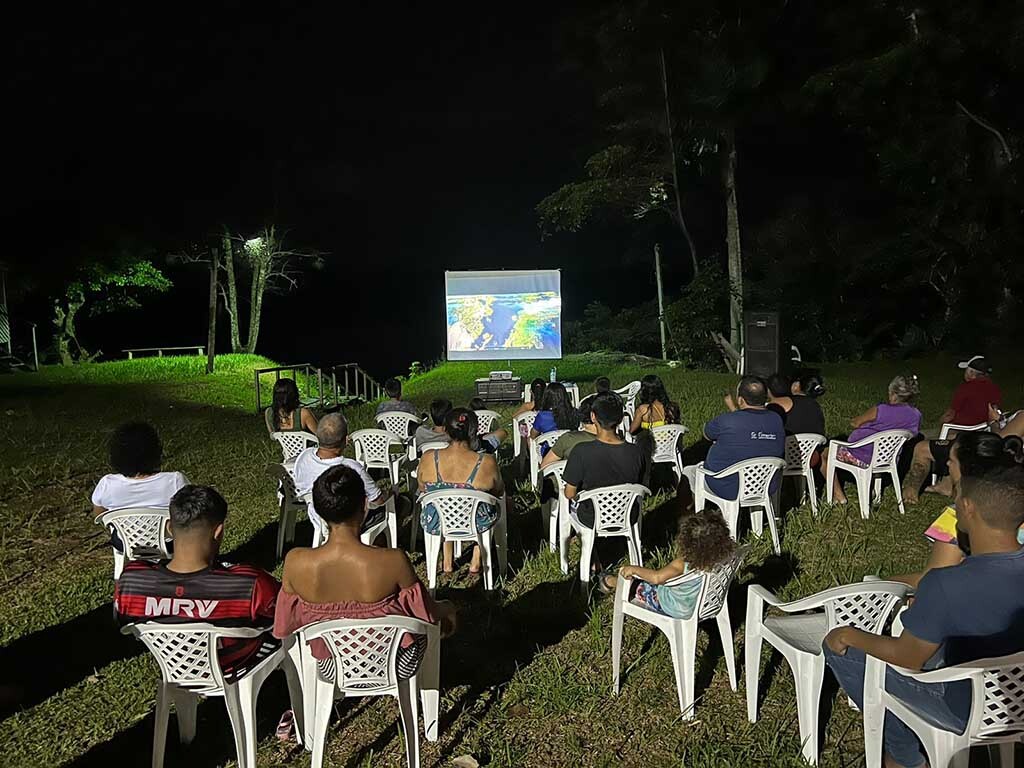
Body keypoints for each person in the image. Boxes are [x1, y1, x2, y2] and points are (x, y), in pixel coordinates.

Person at [823, 433, 1024, 768]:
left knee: (844, 649)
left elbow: (908, 658)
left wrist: (847, 634)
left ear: (967, 508)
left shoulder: (945, 584)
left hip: (966, 708)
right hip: (1015, 697)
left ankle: (903, 758)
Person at [274, 465, 455, 682]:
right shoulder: (393, 560)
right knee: (438, 623)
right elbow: (425, 612)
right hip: (396, 664)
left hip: (332, 668)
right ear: (364, 505)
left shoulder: (295, 562)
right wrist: (449, 607)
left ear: (320, 510)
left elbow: (284, 626)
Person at [114, 485, 280, 674]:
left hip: (172, 665)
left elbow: (124, 621)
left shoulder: (132, 581)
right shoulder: (250, 584)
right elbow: (284, 613)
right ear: (218, 532)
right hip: (234, 665)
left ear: (169, 527)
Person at [563, 393, 648, 574]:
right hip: (627, 513)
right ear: (621, 418)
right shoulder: (637, 452)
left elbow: (569, 493)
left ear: (593, 417)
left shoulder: (581, 452)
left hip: (591, 516)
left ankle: (592, 559)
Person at [598, 507, 737, 613]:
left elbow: (657, 578)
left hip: (674, 606)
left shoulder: (682, 564)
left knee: (638, 585)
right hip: (707, 601)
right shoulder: (725, 557)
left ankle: (609, 581)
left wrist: (632, 569)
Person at [416, 408, 505, 575]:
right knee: (485, 505)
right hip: (476, 521)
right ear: (475, 431)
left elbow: (422, 488)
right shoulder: (486, 462)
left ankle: (447, 561)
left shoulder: (428, 457)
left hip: (438, 521)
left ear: (446, 430)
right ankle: (476, 561)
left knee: (443, 497)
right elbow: (498, 491)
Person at [902, 357, 1002, 504]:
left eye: (966, 370)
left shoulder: (966, 388)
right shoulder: (995, 389)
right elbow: (994, 413)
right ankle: (946, 485)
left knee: (919, 440)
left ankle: (911, 490)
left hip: (957, 432)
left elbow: (950, 415)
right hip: (979, 433)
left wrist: (940, 424)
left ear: (971, 373)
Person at [822, 374, 921, 504]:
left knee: (825, 454)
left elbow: (856, 422)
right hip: (887, 457)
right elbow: (912, 435)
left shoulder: (882, 410)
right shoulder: (915, 415)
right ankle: (875, 490)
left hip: (861, 455)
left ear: (893, 393)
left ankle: (838, 495)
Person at [681, 377, 785, 499]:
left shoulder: (727, 420)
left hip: (726, 487)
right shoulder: (776, 419)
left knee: (688, 472)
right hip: (765, 485)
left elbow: (707, 435)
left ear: (740, 400)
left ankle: (688, 514)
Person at [293, 413, 392, 537]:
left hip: (318, 519)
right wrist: (391, 493)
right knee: (402, 503)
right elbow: (377, 500)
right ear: (345, 440)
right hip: (350, 524)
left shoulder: (304, 457)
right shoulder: (351, 468)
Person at [92, 422, 189, 518]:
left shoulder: (107, 485)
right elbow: (193, 512)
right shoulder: (175, 482)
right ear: (155, 451)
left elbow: (99, 515)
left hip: (123, 533)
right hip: (169, 533)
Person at [415, 397, 506, 453]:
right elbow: (476, 446)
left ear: (432, 416)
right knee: (502, 432)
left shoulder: (421, 432)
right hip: (467, 460)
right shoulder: (457, 433)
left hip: (433, 468)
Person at [530, 382, 578, 455]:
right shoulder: (574, 412)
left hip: (549, 452)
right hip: (571, 450)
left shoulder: (542, 416)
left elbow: (533, 435)